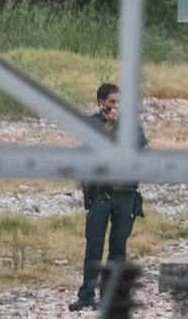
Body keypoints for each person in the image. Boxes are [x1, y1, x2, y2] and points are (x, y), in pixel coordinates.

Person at [70, 83, 149, 313]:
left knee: (118, 248)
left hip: (125, 194)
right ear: (101, 102)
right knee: (94, 246)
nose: (116, 107)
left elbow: (137, 151)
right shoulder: (93, 124)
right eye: (112, 102)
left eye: (119, 102)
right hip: (102, 194)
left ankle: (111, 297)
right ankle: (86, 295)